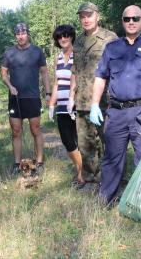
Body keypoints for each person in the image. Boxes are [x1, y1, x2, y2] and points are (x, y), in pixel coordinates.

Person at [89, 5, 141, 207]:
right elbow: (100, 77)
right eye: (127, 19)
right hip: (116, 112)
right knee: (112, 158)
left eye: (135, 18)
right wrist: (94, 104)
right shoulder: (112, 48)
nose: (131, 22)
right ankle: (106, 198)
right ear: (122, 22)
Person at [68, 2, 117, 185]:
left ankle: (112, 179)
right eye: (82, 16)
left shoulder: (110, 38)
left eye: (89, 15)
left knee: (108, 142)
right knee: (86, 144)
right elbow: (75, 70)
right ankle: (90, 179)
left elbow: (118, 68)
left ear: (98, 16)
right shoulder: (79, 41)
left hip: (104, 101)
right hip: (82, 101)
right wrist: (71, 97)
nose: (85, 19)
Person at [1, 23, 51, 175]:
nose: (20, 36)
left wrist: (48, 93)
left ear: (28, 34)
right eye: (18, 34)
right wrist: (10, 86)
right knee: (16, 131)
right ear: (15, 35)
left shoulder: (37, 52)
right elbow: (3, 75)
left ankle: (40, 161)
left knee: (35, 129)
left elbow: (44, 73)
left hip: (33, 97)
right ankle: (17, 163)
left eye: (23, 33)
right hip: (15, 98)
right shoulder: (9, 53)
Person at [48, 25, 84, 187]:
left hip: (76, 105)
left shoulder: (78, 55)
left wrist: (72, 98)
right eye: (60, 37)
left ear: (71, 37)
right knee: (68, 141)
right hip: (62, 107)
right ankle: (79, 168)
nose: (63, 39)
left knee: (80, 140)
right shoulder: (58, 58)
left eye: (66, 36)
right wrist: (51, 104)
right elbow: (57, 82)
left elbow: (77, 78)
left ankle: (82, 174)